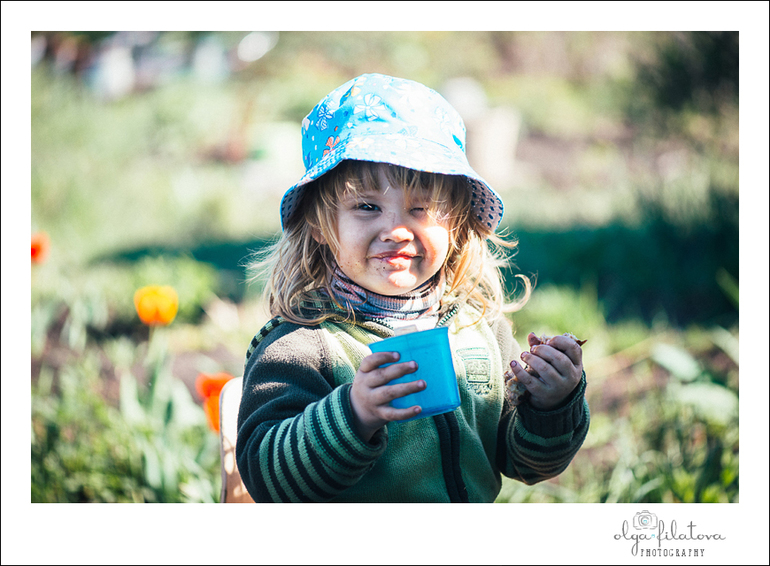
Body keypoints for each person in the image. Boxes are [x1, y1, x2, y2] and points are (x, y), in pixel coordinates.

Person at [237, 73, 590, 502]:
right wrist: (353, 415)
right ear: (319, 226)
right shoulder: (302, 346)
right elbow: (267, 479)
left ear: (456, 223)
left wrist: (551, 405)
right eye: (367, 207)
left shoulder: (478, 328)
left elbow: (525, 463)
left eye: (421, 208)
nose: (397, 230)